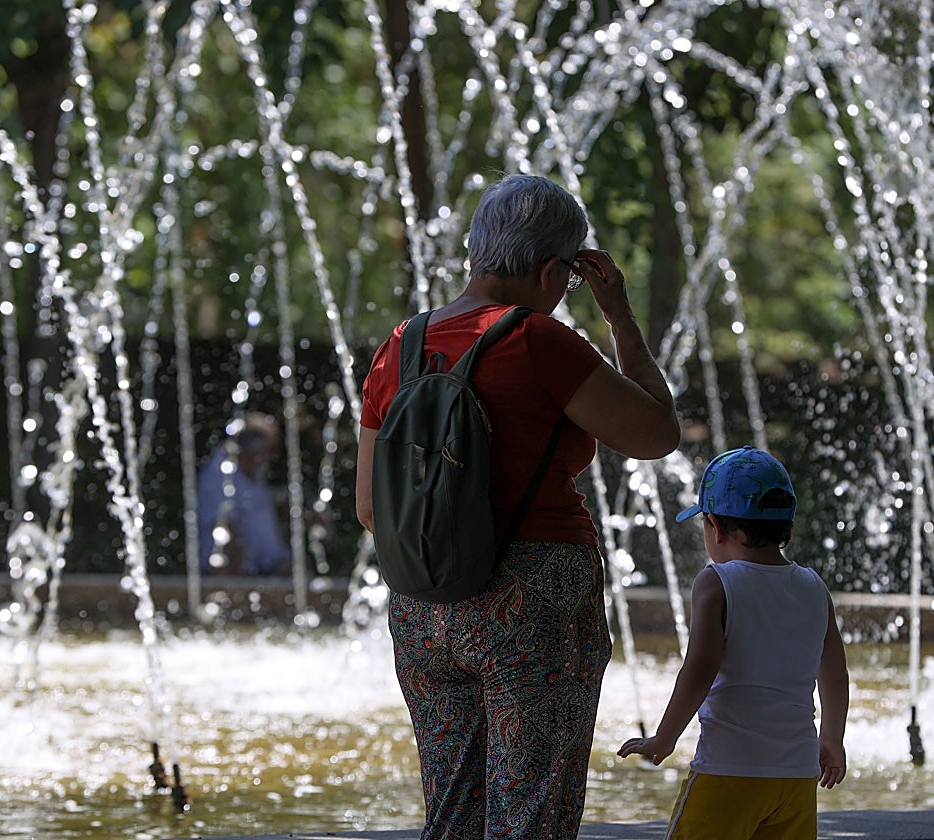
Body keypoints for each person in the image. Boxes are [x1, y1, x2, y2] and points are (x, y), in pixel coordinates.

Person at [355, 173, 680, 839]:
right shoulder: (538, 340)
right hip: (533, 602)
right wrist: (620, 317)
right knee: (530, 817)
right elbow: (656, 435)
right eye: (567, 277)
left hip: (422, 606)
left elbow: (369, 506)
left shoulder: (400, 345)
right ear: (549, 269)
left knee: (452, 818)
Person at [617, 445, 850, 840]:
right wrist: (832, 738)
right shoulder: (814, 586)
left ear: (717, 528)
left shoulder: (717, 582)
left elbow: (701, 668)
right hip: (795, 776)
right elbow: (835, 674)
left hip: (728, 771)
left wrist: (665, 737)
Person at [196, 412, 291, 576]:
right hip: (233, 574)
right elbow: (225, 530)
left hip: (267, 569)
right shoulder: (221, 473)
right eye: (268, 449)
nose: (269, 456)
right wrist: (240, 587)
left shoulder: (252, 473)